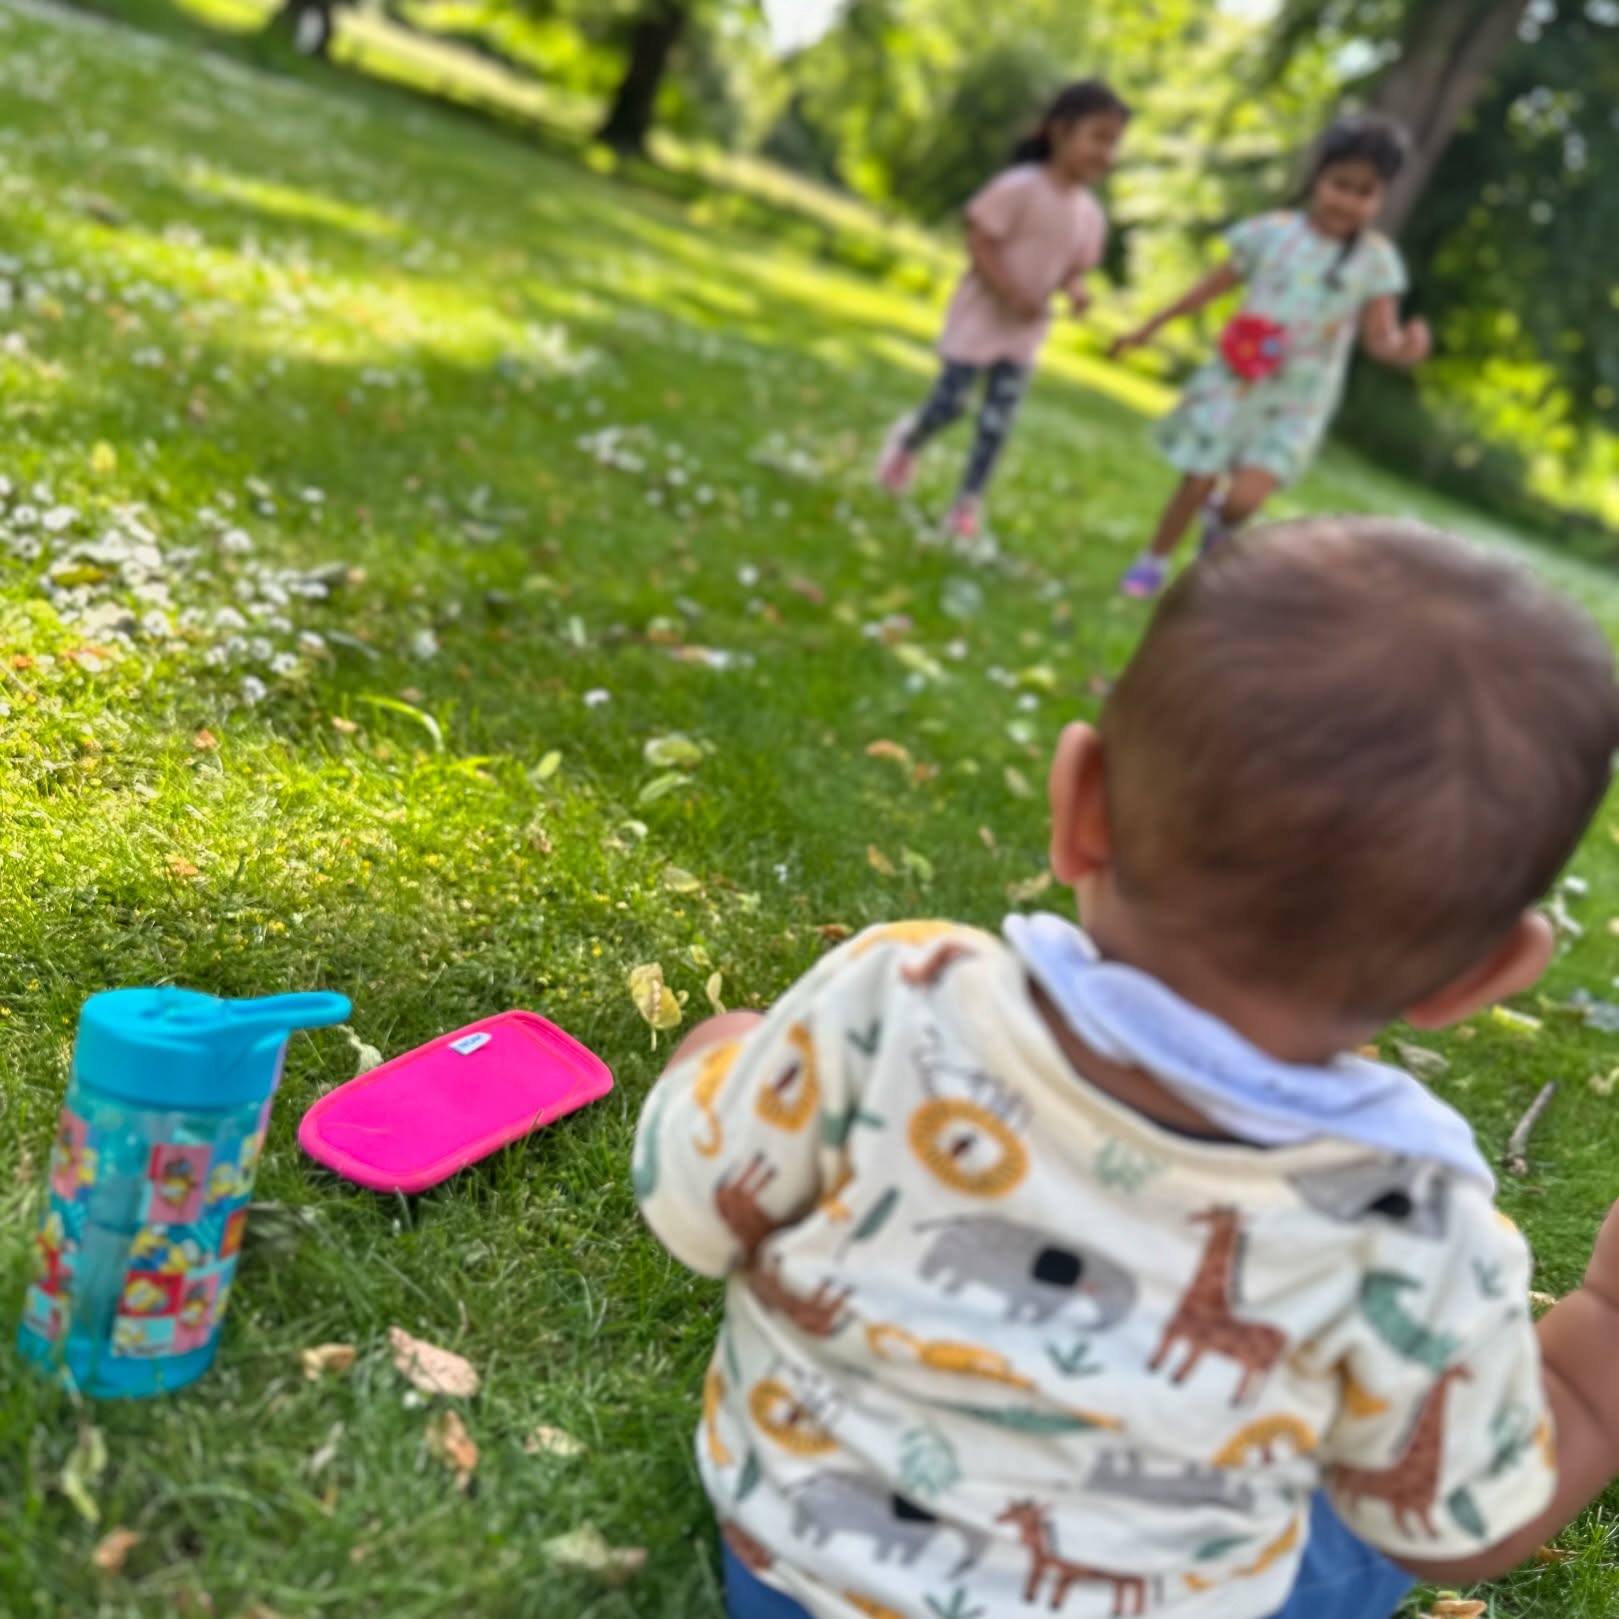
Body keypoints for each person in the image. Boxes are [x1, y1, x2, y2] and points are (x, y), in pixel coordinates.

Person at [635, 516, 1619, 1619]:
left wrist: (719, 1049)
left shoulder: (891, 1001)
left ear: (1078, 804)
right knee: (1371, 1509)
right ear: (1482, 974)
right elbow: (1460, 1525)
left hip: (794, 1573)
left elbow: (691, 1203)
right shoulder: (1414, 1224)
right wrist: (1603, 1326)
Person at [1111, 116, 1430, 598]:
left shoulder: (1376, 262)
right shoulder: (1271, 233)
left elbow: (1378, 340)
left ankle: (1220, 530)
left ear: (1380, 199)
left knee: (1243, 500)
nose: (1347, 201)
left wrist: (1404, 349)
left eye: (1364, 192)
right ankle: (1153, 559)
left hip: (1297, 399)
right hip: (1233, 380)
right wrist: (1148, 327)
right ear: (1316, 179)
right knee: (1197, 478)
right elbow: (1206, 289)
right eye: (1339, 185)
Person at [876, 81, 1129, 546]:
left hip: (1025, 333)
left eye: (1114, 143)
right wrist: (1009, 293)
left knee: (998, 421)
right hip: (981, 318)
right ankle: (906, 445)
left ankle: (966, 505)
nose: (1106, 153)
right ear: (1060, 131)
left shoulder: (1090, 215)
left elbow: (1073, 268)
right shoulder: (1019, 187)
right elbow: (980, 239)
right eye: (1098, 137)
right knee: (949, 405)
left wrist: (1075, 293)